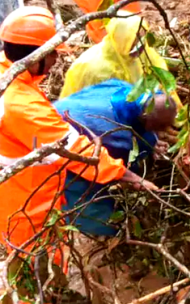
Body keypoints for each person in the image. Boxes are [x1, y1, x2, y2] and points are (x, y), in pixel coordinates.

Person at [0, 7, 155, 268]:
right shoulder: (23, 105)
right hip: (27, 199)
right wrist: (125, 175)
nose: (55, 63)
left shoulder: (10, 78)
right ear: (37, 55)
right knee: (35, 258)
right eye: (53, 55)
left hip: (22, 187)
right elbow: (72, 147)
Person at [55, 80, 177, 236]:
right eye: (159, 126)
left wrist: (151, 141)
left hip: (59, 112)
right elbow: (115, 167)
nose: (163, 131)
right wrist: (138, 180)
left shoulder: (126, 89)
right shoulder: (114, 136)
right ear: (146, 118)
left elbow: (136, 124)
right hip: (58, 151)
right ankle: (105, 232)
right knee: (94, 210)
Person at [60, 13, 179, 106]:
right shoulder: (99, 70)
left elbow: (165, 85)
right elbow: (105, 110)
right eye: (134, 41)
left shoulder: (145, 53)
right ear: (121, 40)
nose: (140, 47)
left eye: (142, 40)